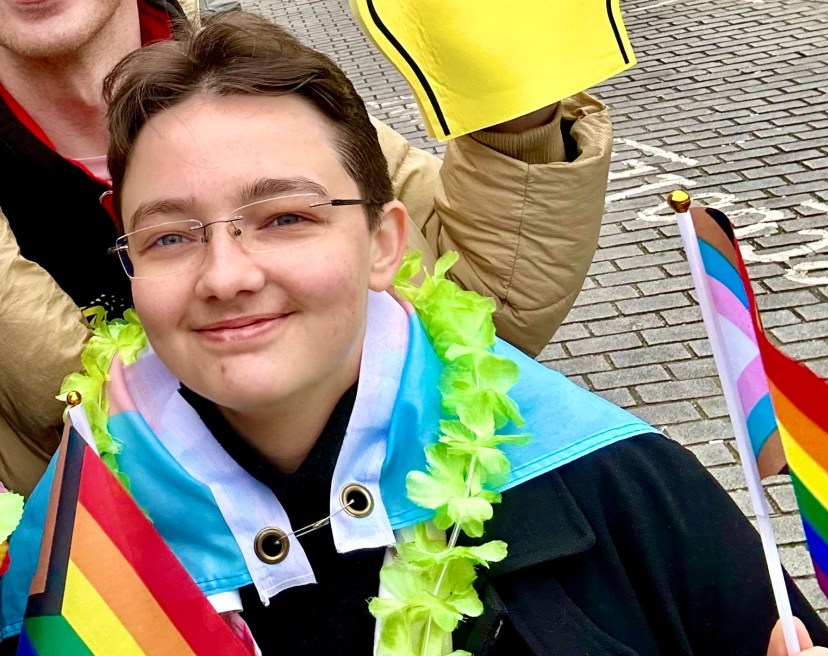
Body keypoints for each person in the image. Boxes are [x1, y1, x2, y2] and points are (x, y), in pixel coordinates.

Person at [0, 13, 828, 656]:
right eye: (170, 237)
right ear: (129, 270)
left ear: (385, 242)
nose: (227, 273)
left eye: (285, 217)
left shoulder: (621, 494)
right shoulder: (70, 567)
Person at [0, 0, 612, 496]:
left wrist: (513, 109)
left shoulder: (265, 81)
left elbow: (481, 317)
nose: (227, 278)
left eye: (284, 217)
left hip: (417, 540)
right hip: (86, 607)